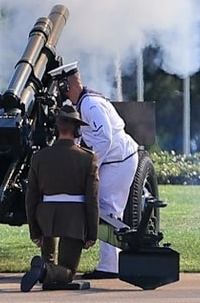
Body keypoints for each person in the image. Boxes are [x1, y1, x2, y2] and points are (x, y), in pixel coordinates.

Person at [48, 61, 138, 280]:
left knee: (106, 208)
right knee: (105, 207)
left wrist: (92, 165)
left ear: (66, 86)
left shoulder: (90, 106)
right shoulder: (85, 103)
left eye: (60, 87)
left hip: (119, 160)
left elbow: (105, 139)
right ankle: (111, 263)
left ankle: (110, 266)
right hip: (115, 160)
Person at [21, 104, 99, 292]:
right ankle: (45, 270)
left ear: (57, 128)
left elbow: (31, 197)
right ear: (77, 129)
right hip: (74, 218)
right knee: (68, 271)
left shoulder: (39, 157)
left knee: (50, 262)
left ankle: (45, 269)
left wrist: (35, 230)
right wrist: (92, 233)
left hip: (46, 216)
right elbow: (92, 199)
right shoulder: (88, 158)